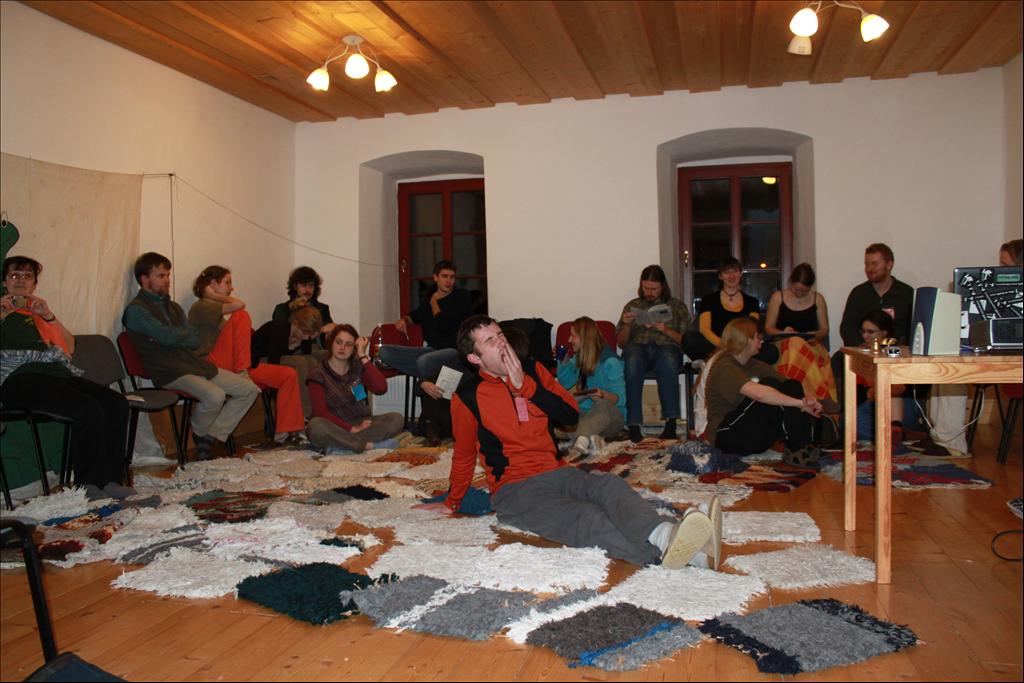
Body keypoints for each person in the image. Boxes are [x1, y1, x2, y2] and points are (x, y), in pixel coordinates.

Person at [436, 315, 723, 570]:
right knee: (587, 517)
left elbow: (569, 415)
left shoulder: (533, 370)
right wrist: (452, 502)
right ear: (474, 358)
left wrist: (526, 387)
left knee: (608, 486)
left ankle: (667, 535)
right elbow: (463, 455)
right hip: (515, 490)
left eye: (500, 334)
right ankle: (674, 557)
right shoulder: (467, 398)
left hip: (558, 471)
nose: (501, 343)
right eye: (489, 341)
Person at [1, 256, 132, 495]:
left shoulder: (38, 314)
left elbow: (69, 346)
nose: (20, 280)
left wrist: (49, 315)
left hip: (55, 375)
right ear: (4, 281)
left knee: (116, 403)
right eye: (14, 275)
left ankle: (112, 481)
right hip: (19, 380)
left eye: (27, 276)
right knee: (87, 408)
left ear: (34, 284)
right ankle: (88, 486)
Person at [123, 252, 258, 460]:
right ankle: (200, 433)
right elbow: (168, 337)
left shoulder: (174, 307)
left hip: (193, 364)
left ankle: (209, 435)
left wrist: (173, 336)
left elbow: (194, 339)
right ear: (144, 278)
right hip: (167, 370)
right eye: (161, 275)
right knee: (215, 395)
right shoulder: (136, 310)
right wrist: (175, 335)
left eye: (168, 275)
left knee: (248, 389)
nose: (167, 280)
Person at [188, 266, 306, 445]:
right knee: (241, 315)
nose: (231, 288)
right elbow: (239, 305)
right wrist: (211, 294)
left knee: (288, 375)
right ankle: (243, 372)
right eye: (227, 282)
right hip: (210, 365)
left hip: (233, 366)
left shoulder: (219, 312)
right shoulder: (200, 306)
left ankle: (286, 434)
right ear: (212, 284)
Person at [705, 317, 822, 465]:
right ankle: (798, 448)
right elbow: (759, 394)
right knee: (768, 385)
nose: (761, 341)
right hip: (726, 437)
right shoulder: (724, 367)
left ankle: (801, 446)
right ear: (746, 339)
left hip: (753, 436)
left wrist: (810, 400)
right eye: (758, 337)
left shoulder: (755, 365)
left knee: (792, 384)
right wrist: (800, 403)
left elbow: (789, 386)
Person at [378, 260, 473, 441]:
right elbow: (415, 315)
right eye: (444, 276)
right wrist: (404, 320)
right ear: (435, 278)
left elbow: (443, 323)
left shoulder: (461, 297)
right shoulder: (426, 302)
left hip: (454, 351)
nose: (449, 281)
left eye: (452, 277)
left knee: (425, 361)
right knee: (385, 352)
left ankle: (427, 417)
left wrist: (435, 302)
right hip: (432, 351)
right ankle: (424, 382)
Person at [616, 265, 691, 443]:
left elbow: (687, 341)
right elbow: (621, 343)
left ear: (663, 286)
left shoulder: (677, 306)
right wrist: (627, 325)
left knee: (668, 359)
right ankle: (634, 424)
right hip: (638, 348)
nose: (649, 293)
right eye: (646, 288)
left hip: (666, 347)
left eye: (654, 289)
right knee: (631, 360)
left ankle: (671, 424)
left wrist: (666, 330)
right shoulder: (633, 306)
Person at [306, 324, 404, 453]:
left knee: (396, 419)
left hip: (360, 422)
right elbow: (321, 412)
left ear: (354, 349)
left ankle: (340, 445)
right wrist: (352, 429)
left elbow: (381, 388)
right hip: (333, 425)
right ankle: (367, 446)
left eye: (348, 344)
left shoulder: (357, 367)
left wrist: (362, 355)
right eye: (338, 342)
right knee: (316, 426)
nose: (342, 348)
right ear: (331, 344)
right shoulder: (318, 373)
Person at [682, 257, 779, 365]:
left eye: (735, 271)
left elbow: (753, 330)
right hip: (717, 347)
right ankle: (731, 362)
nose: (731, 276)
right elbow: (705, 330)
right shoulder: (708, 299)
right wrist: (724, 346)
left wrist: (738, 348)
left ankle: (725, 362)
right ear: (720, 276)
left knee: (771, 352)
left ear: (740, 274)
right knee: (689, 339)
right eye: (726, 272)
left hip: (743, 348)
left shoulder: (752, 302)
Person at [764, 263, 836, 403]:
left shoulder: (818, 299)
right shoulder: (778, 297)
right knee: (795, 344)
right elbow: (769, 328)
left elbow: (824, 330)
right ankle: (821, 397)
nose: (799, 294)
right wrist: (783, 332)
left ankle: (801, 397)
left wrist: (811, 334)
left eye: (804, 291)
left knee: (800, 346)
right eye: (796, 289)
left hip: (811, 344)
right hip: (783, 345)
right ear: (791, 282)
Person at [556, 316, 625, 455]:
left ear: (584, 338)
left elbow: (622, 399)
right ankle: (590, 438)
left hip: (611, 417)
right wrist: (563, 361)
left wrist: (603, 395)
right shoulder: (579, 358)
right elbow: (566, 383)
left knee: (602, 404)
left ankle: (582, 437)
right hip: (587, 414)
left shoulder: (611, 362)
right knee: (564, 407)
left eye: (573, 336)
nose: (569, 340)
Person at [856, 309, 922, 445]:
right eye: (863, 331)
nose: (865, 336)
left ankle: (895, 431)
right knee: (850, 420)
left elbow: (906, 389)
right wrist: (870, 394)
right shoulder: (859, 354)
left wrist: (884, 391)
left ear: (885, 332)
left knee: (892, 394)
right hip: (872, 405)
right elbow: (856, 394)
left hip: (901, 406)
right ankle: (901, 435)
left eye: (870, 332)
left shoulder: (900, 353)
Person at [272, 265, 336, 338]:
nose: (307, 290)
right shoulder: (282, 309)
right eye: (303, 285)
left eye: (310, 285)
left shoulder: (323, 309)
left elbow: (331, 331)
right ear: (295, 286)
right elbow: (281, 334)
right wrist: (320, 329)